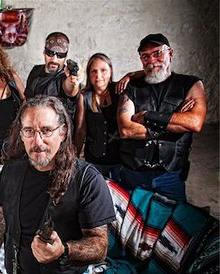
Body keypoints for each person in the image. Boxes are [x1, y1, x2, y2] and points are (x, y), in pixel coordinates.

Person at [0, 95, 115, 274]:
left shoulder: (87, 179)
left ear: (63, 132)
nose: (37, 141)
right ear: (21, 134)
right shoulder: (12, 169)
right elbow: (1, 211)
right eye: (29, 131)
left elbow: (100, 246)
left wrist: (63, 250)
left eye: (46, 130)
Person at [117, 33, 207, 201]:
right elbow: (126, 130)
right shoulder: (132, 87)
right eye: (145, 56)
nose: (151, 60)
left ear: (170, 53)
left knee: (174, 224)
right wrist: (174, 122)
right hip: (134, 174)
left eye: (157, 53)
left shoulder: (190, 84)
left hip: (171, 176)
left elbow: (194, 123)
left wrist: (146, 116)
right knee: (131, 224)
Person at [75, 53, 121, 181]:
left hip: (120, 161)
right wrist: (74, 158)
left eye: (103, 70)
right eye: (93, 71)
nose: (98, 76)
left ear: (111, 71)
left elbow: (144, 75)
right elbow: (80, 130)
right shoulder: (84, 96)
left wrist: (130, 76)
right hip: (95, 161)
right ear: (89, 75)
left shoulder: (120, 91)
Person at [24, 32, 81, 128]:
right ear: (44, 52)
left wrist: (73, 80)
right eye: (50, 53)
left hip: (57, 135)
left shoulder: (65, 77)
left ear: (65, 57)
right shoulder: (36, 71)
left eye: (60, 55)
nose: (54, 59)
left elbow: (70, 90)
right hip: (34, 130)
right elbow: (26, 101)